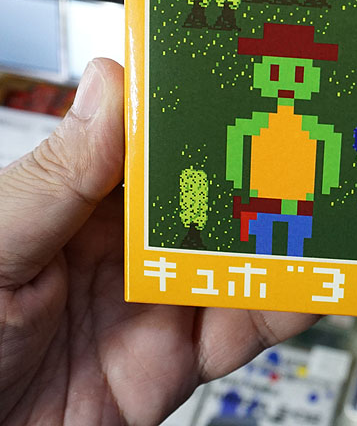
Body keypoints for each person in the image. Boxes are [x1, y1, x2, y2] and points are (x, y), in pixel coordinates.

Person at [0, 59, 318, 425]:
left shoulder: (302, 128)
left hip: (290, 203)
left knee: (290, 247)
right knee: (264, 239)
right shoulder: (247, 127)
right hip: (250, 206)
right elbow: (238, 152)